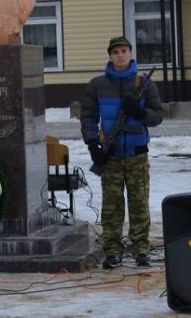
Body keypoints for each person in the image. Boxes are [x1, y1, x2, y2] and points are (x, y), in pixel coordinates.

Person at [80, 36, 163, 269]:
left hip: (137, 154)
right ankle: (113, 250)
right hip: (112, 155)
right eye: (116, 52)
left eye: (124, 51)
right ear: (110, 55)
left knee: (139, 204)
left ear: (130, 53)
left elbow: (157, 116)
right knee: (112, 206)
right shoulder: (97, 85)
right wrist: (92, 144)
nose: (120, 55)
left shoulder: (144, 83)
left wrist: (139, 111)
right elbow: (87, 116)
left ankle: (140, 249)